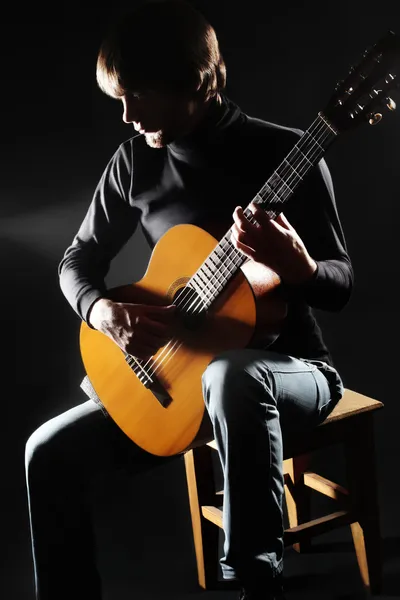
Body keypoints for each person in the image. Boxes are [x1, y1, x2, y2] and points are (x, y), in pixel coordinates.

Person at [24, 1, 353, 599]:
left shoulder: (287, 156)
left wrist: (299, 267)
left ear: (196, 82)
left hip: (289, 371)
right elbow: (76, 263)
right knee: (45, 451)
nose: (125, 116)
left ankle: (257, 582)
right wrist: (105, 313)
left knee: (232, 374)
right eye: (118, 98)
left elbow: (341, 283)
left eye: (139, 96)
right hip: (175, 381)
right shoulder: (134, 163)